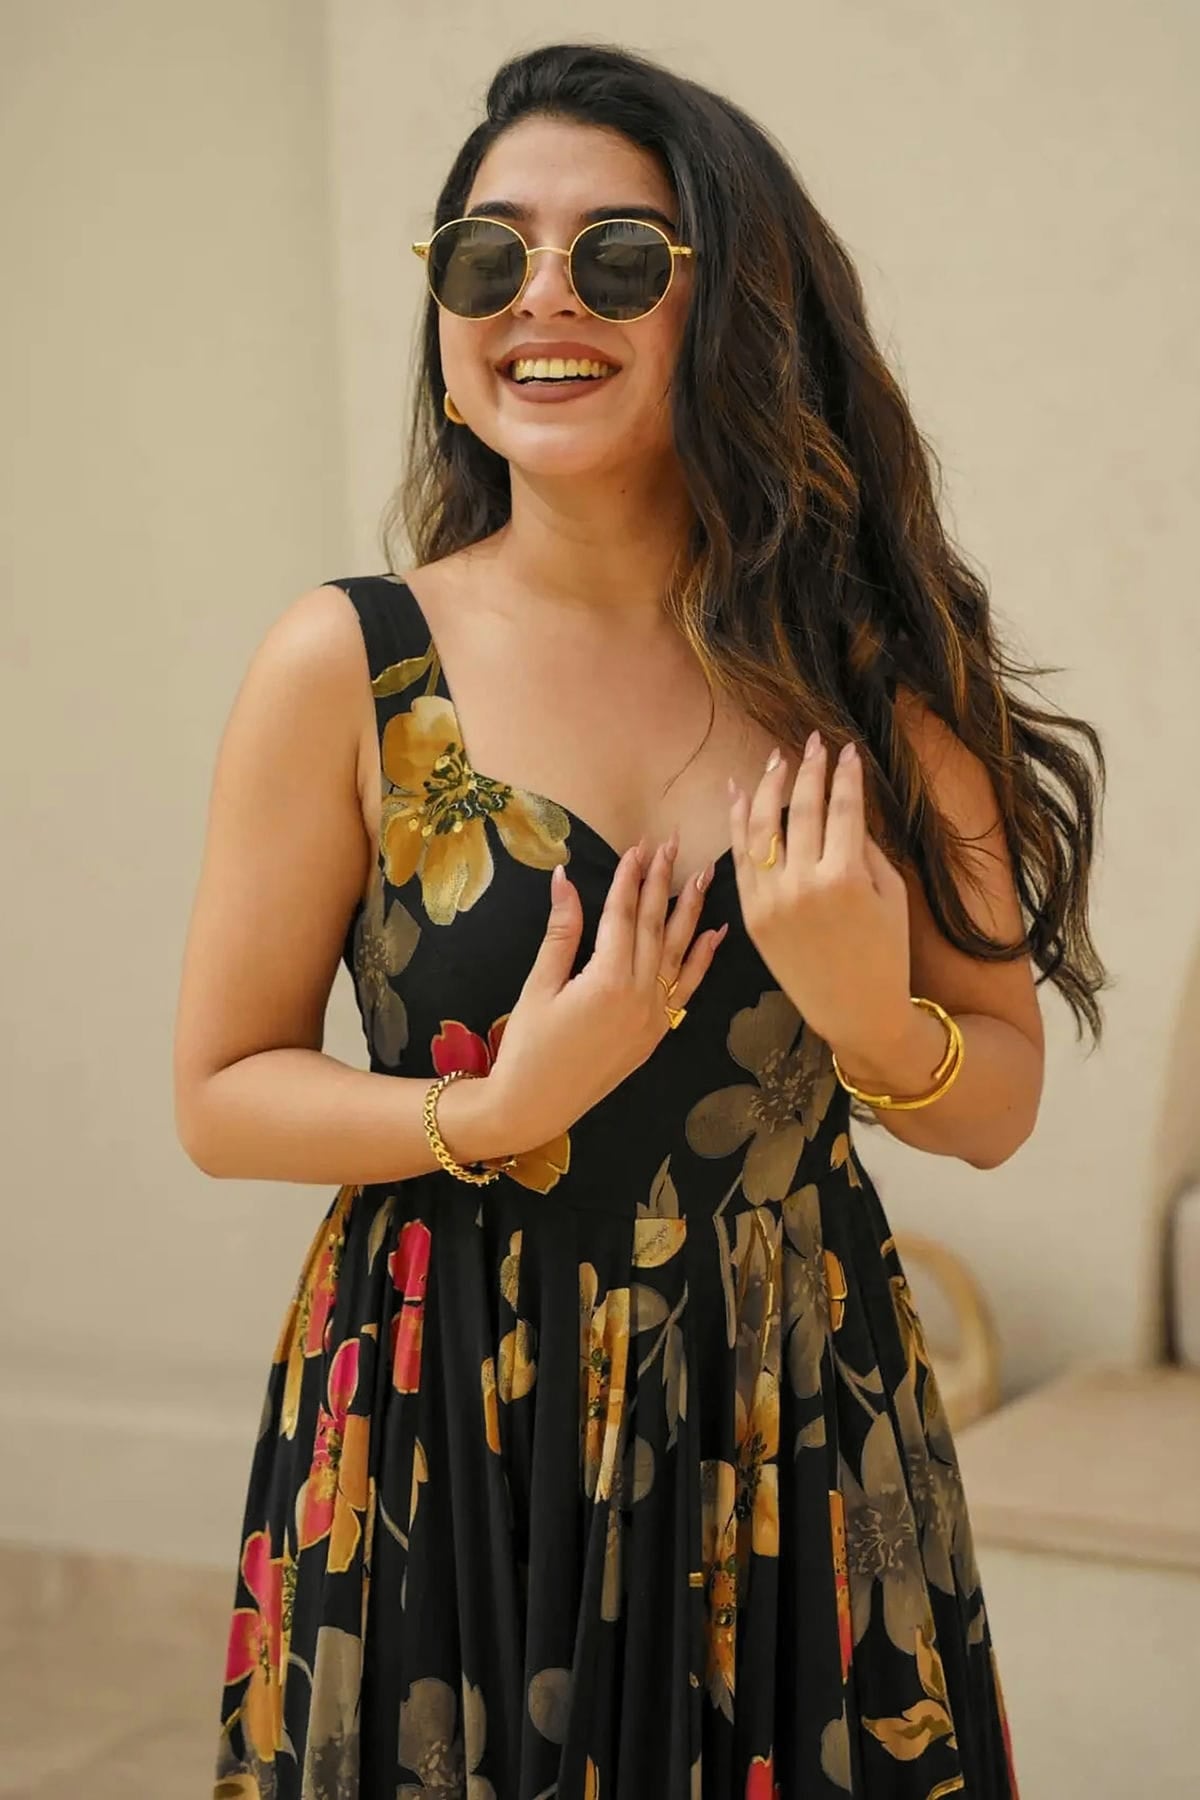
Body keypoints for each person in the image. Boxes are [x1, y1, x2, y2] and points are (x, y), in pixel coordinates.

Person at [175, 40, 1106, 1800]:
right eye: (487, 256)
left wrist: (868, 1018)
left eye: (615, 257)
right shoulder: (347, 667)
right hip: (447, 1407)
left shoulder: (877, 685)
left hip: (788, 1408)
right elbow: (221, 1092)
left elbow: (1000, 1096)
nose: (540, 297)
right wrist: (496, 1110)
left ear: (729, 309)